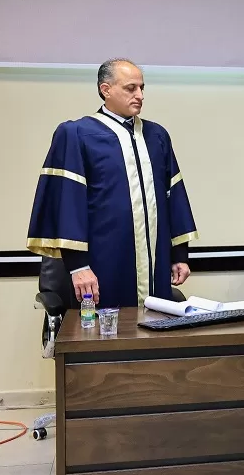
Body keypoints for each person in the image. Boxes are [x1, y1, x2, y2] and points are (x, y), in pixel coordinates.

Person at [27, 58, 198, 308]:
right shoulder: (76, 134)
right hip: (101, 265)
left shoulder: (157, 136)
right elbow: (67, 205)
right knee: (107, 326)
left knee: (155, 324)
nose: (139, 95)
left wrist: (179, 255)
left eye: (142, 88)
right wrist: (78, 267)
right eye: (131, 88)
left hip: (156, 265)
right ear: (105, 89)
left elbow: (174, 197)